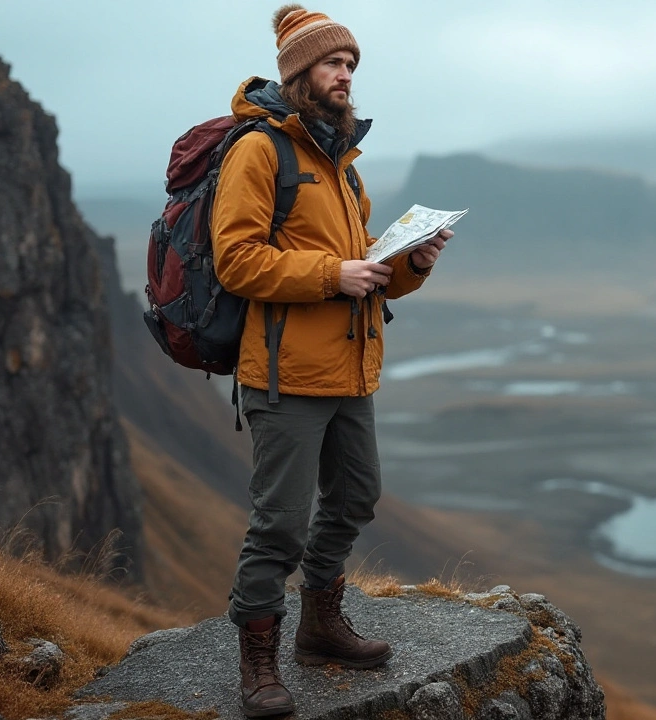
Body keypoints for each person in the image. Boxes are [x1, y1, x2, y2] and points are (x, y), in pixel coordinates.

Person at [210, 5, 451, 716]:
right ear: (299, 74)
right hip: (285, 376)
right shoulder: (260, 151)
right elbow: (236, 260)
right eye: (333, 63)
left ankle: (319, 626)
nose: (346, 74)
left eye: (351, 64)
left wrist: (412, 264)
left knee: (354, 500)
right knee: (279, 522)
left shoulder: (342, 164)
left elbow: (366, 272)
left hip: (349, 369)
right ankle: (258, 658)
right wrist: (329, 275)